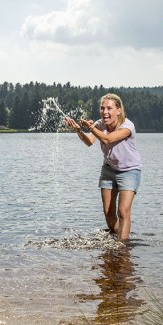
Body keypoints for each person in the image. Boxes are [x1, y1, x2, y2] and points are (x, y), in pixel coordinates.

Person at [64, 93, 142, 241]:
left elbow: (108, 139)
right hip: (108, 169)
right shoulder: (100, 124)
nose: (105, 111)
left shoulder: (127, 126)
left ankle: (122, 247)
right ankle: (120, 239)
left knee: (123, 211)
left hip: (129, 171)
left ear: (118, 110)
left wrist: (91, 128)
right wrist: (79, 130)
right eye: (102, 108)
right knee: (108, 213)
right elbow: (89, 142)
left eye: (109, 108)